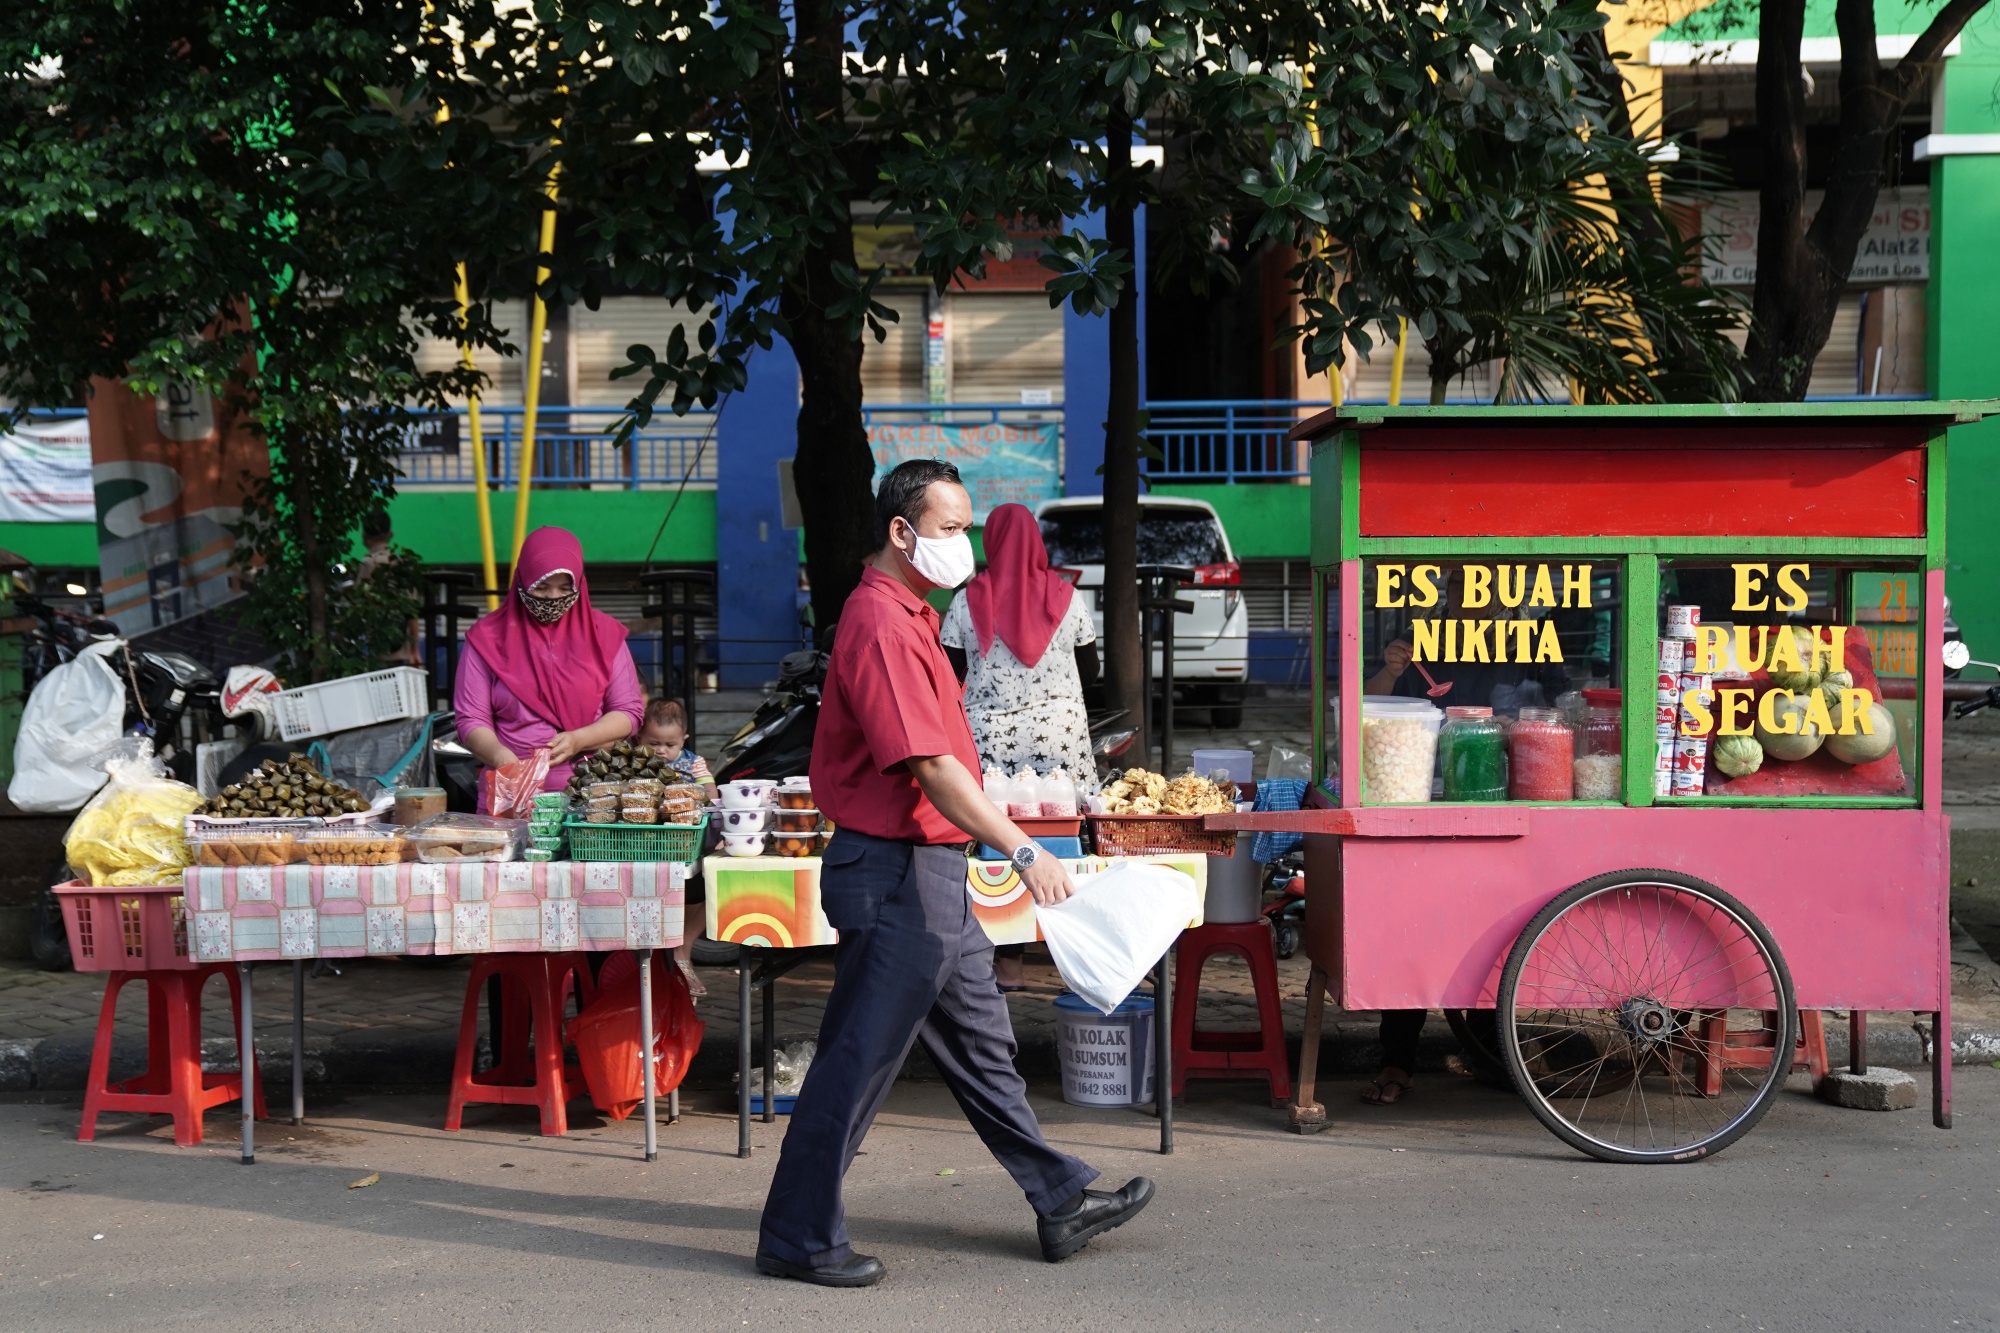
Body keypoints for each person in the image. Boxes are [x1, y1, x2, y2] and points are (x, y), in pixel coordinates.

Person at [755, 459, 1154, 1288]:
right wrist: (1024, 848)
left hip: (927, 871)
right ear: (901, 532)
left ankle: (1059, 1198)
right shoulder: (881, 623)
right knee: (856, 1064)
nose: (962, 544)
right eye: (947, 529)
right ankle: (798, 1233)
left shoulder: (910, 612)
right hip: (899, 874)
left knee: (985, 1047)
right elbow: (933, 766)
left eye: (967, 527)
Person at [1357, 573, 1572, 1106]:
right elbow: (1372, 704)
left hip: (1507, 793)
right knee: (1415, 927)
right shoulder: (1421, 643)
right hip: (1427, 795)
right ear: (1449, 590)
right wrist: (1389, 668)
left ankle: (1494, 1049)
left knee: (1493, 931)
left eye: (1490, 583)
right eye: (1462, 583)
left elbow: (1564, 705)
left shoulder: (1527, 643)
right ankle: (1396, 1057)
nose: (1475, 593)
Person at [939, 502, 1099, 992]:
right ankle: (1079, 955)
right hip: (1061, 739)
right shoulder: (1068, 596)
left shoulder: (967, 601)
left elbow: (950, 673)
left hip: (992, 744)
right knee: (1068, 834)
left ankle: (1007, 963)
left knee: (1000, 842)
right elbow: (1090, 670)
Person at [454, 527, 646, 809]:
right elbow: (470, 718)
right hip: (511, 795)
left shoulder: (604, 635)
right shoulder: (485, 639)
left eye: (564, 588)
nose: (551, 598)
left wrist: (580, 739)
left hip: (593, 797)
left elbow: (629, 712)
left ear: (579, 585)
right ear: (522, 579)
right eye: (541, 587)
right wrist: (500, 757)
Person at [638, 696, 715, 992]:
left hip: (684, 845)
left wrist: (697, 788)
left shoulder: (693, 762)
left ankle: (684, 945)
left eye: (670, 745)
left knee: (714, 886)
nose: (661, 750)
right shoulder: (634, 762)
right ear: (639, 738)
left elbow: (711, 792)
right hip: (647, 846)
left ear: (683, 740)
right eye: (653, 742)